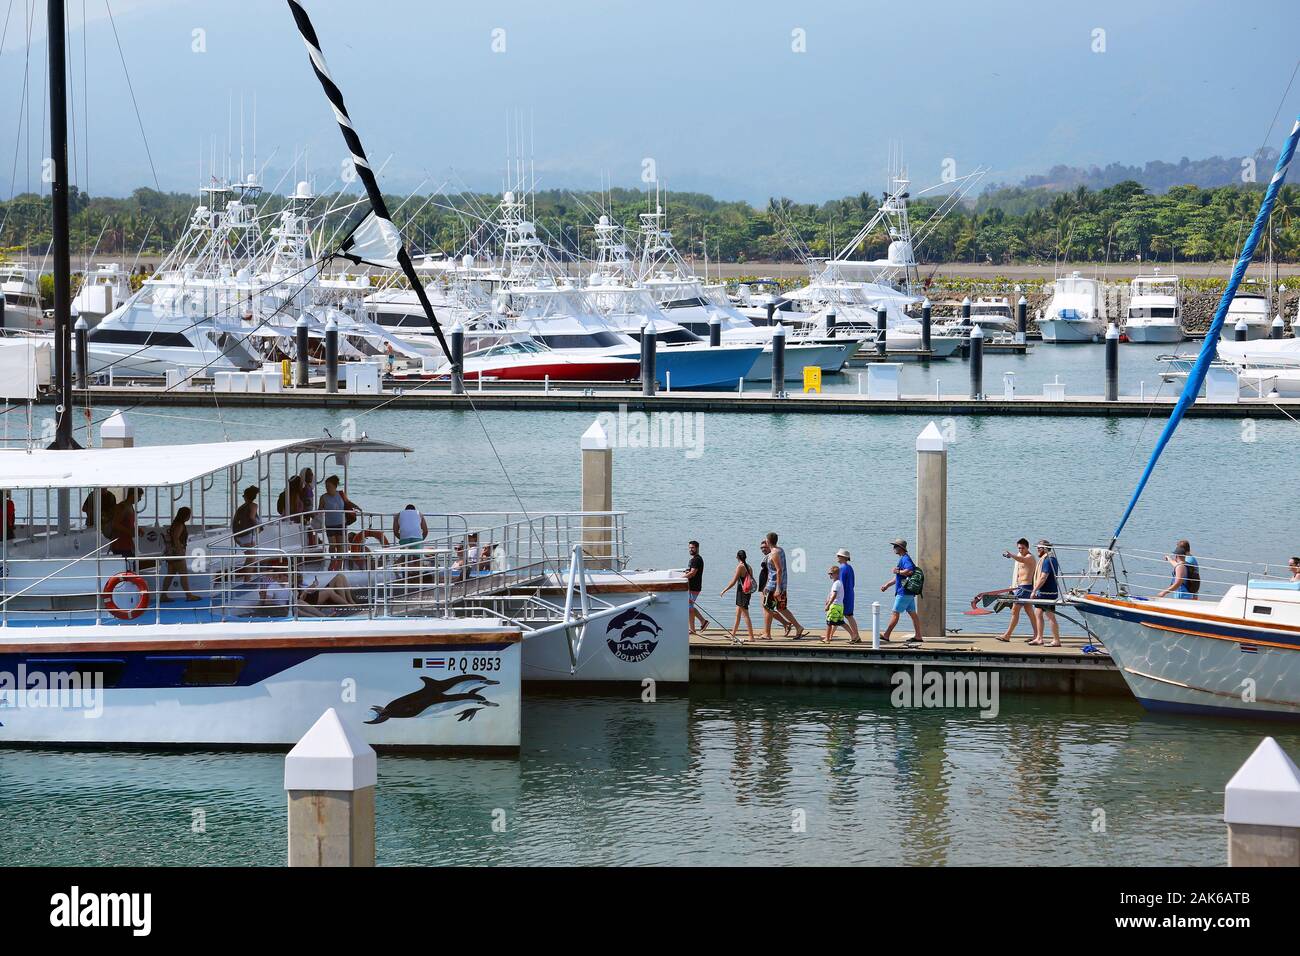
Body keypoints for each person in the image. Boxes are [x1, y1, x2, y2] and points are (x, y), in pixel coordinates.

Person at [761, 531, 807, 641]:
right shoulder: (780, 550)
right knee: (781, 608)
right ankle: (798, 627)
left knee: (767, 608)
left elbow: (778, 570)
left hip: (774, 585)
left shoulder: (774, 553)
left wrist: (777, 588)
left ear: (768, 541)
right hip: (781, 585)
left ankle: (767, 634)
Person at [996, 538, 1040, 642]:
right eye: (1019, 548)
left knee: (1015, 610)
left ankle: (1007, 635)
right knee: (1029, 611)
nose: (1021, 550)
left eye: (1023, 548)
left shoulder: (1030, 557)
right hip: (1020, 587)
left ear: (1027, 547)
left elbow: (1022, 560)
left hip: (1026, 587)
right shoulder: (1020, 555)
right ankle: (1037, 636)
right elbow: (1018, 570)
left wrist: (1011, 555)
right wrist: (1013, 585)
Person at [879, 537, 921, 643]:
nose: (893, 548)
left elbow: (909, 571)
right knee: (913, 614)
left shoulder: (905, 559)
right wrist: (887, 585)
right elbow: (899, 577)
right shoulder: (903, 558)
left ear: (901, 548)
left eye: (895, 546)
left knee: (895, 613)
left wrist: (898, 571)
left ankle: (886, 635)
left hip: (904, 592)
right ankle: (918, 636)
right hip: (908, 593)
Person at [159, 507, 200, 602]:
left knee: (170, 574)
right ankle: (189, 595)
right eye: (189, 515)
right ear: (185, 515)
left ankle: (163, 595)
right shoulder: (180, 525)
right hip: (176, 554)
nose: (189, 516)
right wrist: (180, 551)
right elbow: (175, 538)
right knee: (184, 574)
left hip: (171, 554)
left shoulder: (175, 523)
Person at [319, 475, 359, 565]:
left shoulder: (341, 494)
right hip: (330, 524)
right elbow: (319, 509)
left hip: (341, 523)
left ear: (334, 486)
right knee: (332, 545)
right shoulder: (323, 497)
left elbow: (348, 502)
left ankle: (339, 562)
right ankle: (333, 561)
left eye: (329, 486)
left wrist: (356, 507)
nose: (327, 488)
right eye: (326, 486)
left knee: (340, 545)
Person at [1030, 539, 1062, 648]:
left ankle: (1056, 640)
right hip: (1042, 592)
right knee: (1038, 613)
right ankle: (1039, 638)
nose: (1037, 550)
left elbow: (1043, 577)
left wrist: (1034, 590)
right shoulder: (1047, 558)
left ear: (1044, 548)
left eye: (1039, 548)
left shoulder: (1049, 559)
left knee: (1050, 615)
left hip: (1048, 593)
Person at [720, 548, 755, 643]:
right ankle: (733, 634)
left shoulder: (740, 567)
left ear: (737, 557)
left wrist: (724, 590)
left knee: (745, 615)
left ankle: (751, 637)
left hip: (742, 592)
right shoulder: (749, 567)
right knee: (738, 614)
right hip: (747, 592)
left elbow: (734, 581)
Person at [835, 548, 860, 644]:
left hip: (844, 595)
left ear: (844, 558)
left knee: (845, 615)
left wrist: (837, 595)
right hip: (850, 593)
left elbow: (840, 584)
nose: (837, 557)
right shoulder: (849, 568)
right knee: (845, 615)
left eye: (839, 555)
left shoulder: (842, 568)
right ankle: (830, 635)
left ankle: (855, 636)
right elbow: (853, 582)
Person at [821, 565, 849, 644]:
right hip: (840, 606)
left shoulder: (836, 583)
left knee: (829, 622)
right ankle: (853, 635)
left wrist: (828, 604)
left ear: (837, 574)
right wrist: (827, 599)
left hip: (834, 605)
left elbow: (834, 595)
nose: (830, 575)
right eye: (830, 574)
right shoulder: (838, 583)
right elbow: (831, 594)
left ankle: (827, 638)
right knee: (841, 622)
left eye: (831, 574)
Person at [109, 488, 138, 559]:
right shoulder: (122, 507)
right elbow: (115, 524)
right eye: (139, 497)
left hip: (128, 542)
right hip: (120, 544)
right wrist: (129, 532)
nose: (139, 499)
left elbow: (128, 524)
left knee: (132, 563)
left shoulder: (130, 506)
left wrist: (138, 529)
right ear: (133, 495)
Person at [685, 540, 706, 635]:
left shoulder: (696, 559)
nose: (690, 549)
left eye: (692, 548)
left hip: (694, 587)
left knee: (688, 607)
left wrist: (679, 578)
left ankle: (693, 629)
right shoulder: (694, 559)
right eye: (689, 548)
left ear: (697, 548)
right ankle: (702, 622)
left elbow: (692, 573)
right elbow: (690, 571)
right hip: (692, 587)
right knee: (689, 606)